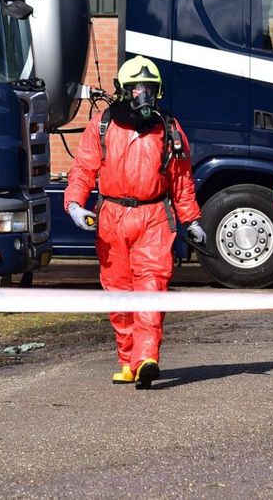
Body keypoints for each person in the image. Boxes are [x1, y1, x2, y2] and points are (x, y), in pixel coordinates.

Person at [64, 56, 205, 389]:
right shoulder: (102, 125)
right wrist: (73, 203)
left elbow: (181, 180)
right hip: (111, 217)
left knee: (151, 289)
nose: (144, 96)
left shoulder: (168, 129)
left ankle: (146, 358)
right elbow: (83, 169)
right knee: (118, 293)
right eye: (137, 89)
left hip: (154, 218)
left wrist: (192, 220)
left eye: (150, 90)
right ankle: (127, 359)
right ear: (124, 92)